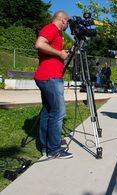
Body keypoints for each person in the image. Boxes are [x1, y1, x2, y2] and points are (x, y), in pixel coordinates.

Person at [34, 10, 73, 159]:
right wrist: (59, 54)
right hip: (50, 77)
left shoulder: (56, 34)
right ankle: (54, 150)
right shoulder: (51, 28)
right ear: (62, 20)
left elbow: (56, 52)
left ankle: (46, 146)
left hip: (46, 76)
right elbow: (39, 44)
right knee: (58, 113)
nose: (67, 25)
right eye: (67, 22)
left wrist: (65, 52)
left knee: (48, 112)